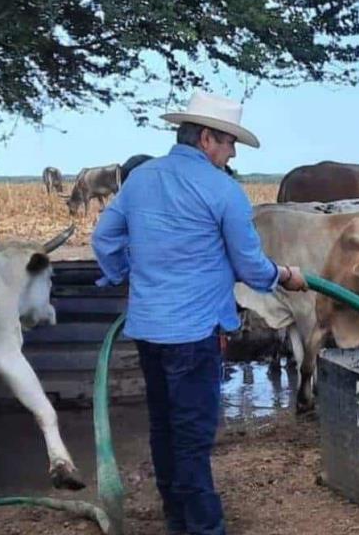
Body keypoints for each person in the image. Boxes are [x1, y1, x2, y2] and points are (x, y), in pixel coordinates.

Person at [93, 91, 308, 535]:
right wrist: (285, 275)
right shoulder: (223, 190)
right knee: (192, 438)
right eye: (230, 143)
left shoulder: (140, 178)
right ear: (208, 138)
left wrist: (127, 275)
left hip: (150, 330)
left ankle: (176, 519)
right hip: (194, 335)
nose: (231, 154)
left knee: (164, 428)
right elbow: (250, 266)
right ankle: (205, 527)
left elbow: (104, 240)